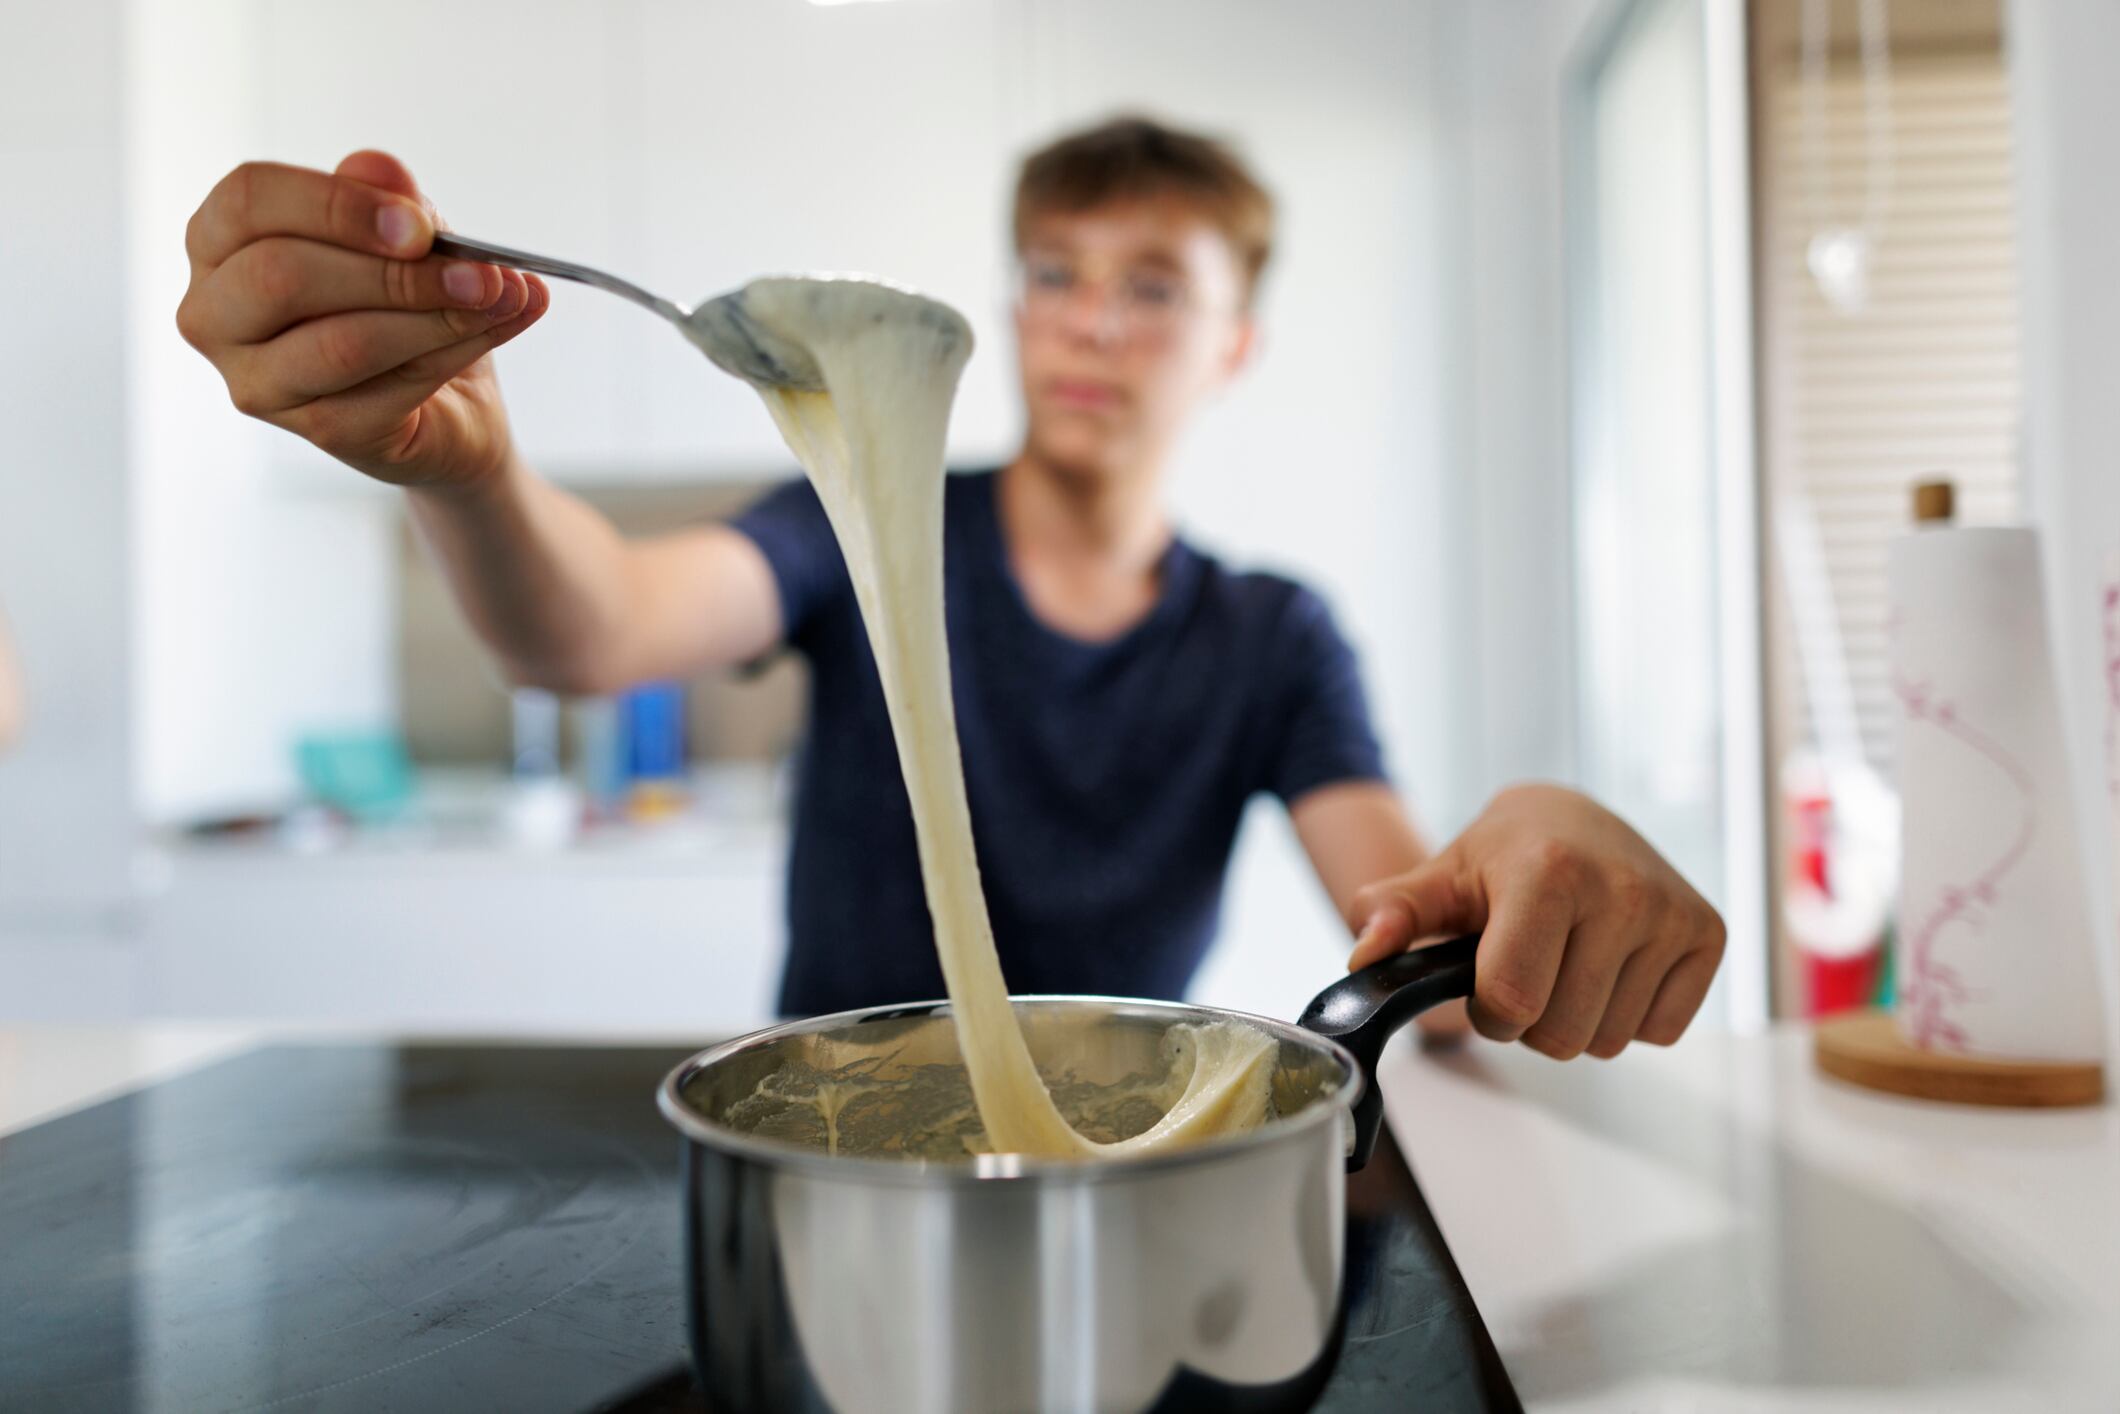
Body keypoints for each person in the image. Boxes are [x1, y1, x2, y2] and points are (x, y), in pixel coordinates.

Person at [176, 117, 1724, 1059]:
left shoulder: (1270, 639)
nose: (1089, 326)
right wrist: (477, 476)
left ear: (1237, 344)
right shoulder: (863, 516)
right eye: (1054, 273)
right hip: (833, 1145)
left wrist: (1525, 865)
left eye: (1154, 287)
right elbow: (593, 628)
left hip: (1104, 1177)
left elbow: (1410, 949)